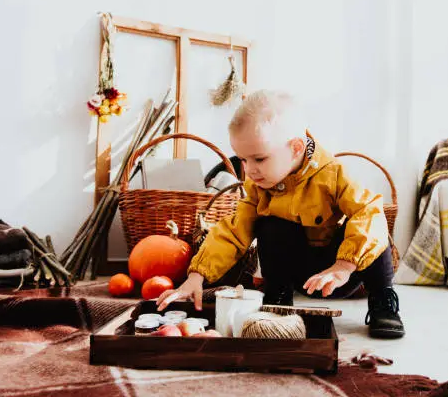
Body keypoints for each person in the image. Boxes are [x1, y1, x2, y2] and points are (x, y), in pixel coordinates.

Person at [157, 90, 405, 338]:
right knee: (271, 225)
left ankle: (383, 299)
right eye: (243, 160)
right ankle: (278, 299)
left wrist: (344, 265)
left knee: (371, 220)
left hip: (343, 270)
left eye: (259, 159)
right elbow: (233, 231)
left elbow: (368, 212)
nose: (250, 170)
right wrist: (197, 275)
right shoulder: (258, 187)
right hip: (302, 272)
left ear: (296, 148)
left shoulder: (334, 173)